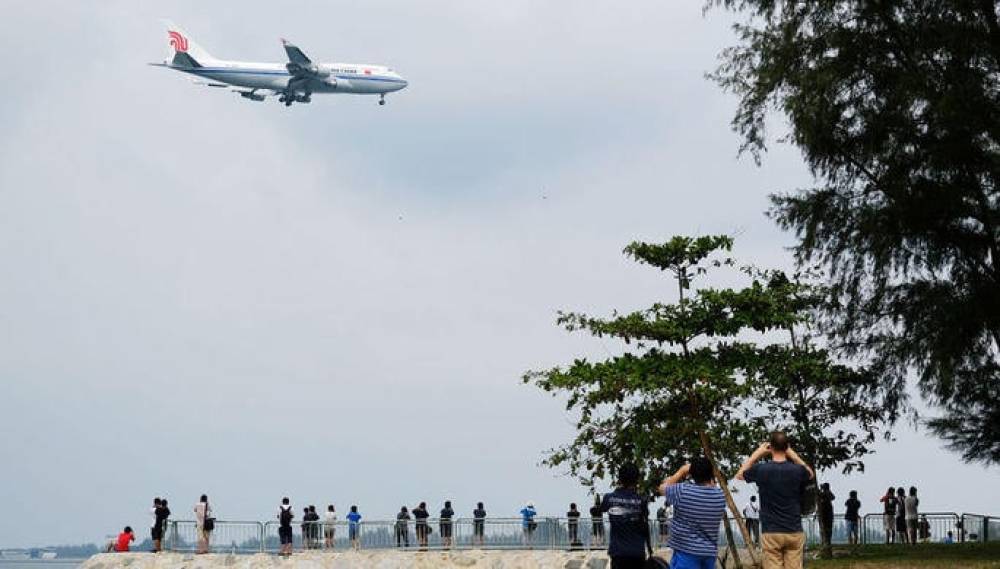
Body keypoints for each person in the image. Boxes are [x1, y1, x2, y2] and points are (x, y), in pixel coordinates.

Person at [735, 432, 815, 569]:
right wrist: (793, 454)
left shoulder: (761, 469)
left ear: (770, 447)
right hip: (794, 529)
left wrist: (758, 453)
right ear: (787, 447)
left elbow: (740, 475)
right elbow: (810, 473)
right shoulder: (797, 470)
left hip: (771, 530)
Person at [658, 457, 726, 569]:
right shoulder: (719, 496)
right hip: (709, 554)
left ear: (692, 474)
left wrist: (682, 471)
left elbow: (662, 488)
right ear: (711, 474)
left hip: (686, 552)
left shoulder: (682, 491)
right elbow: (712, 486)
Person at [601, 463, 652, 569]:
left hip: (618, 554)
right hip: (637, 553)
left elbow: (600, 509)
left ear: (619, 478)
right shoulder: (641, 500)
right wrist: (650, 548)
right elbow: (645, 526)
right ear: (637, 479)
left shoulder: (609, 498)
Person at [818, 483, 835, 553]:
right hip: (828, 514)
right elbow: (833, 497)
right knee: (828, 529)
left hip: (825, 514)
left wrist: (821, 490)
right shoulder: (828, 494)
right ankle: (827, 542)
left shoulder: (824, 494)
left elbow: (832, 497)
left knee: (825, 529)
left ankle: (826, 542)